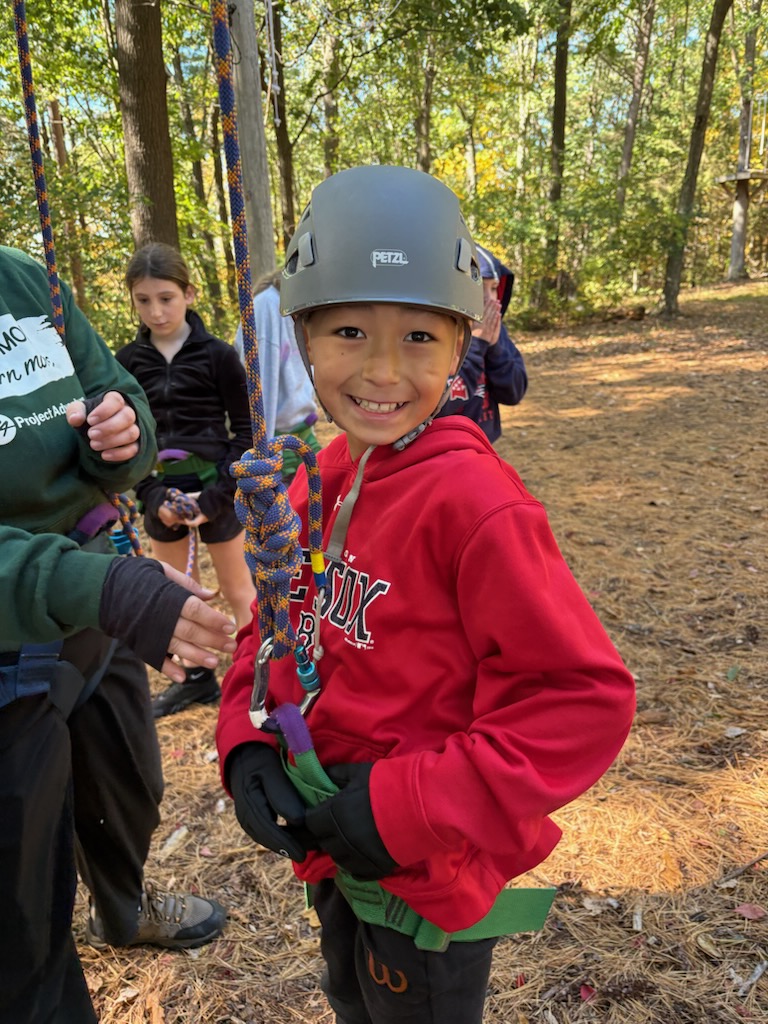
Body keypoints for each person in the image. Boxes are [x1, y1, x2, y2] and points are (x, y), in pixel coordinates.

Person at [215, 166, 636, 1024]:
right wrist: (244, 744)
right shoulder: (321, 479)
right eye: (347, 332)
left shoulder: (476, 507)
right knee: (350, 1000)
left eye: (416, 338)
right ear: (301, 338)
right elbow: (273, 625)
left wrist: (402, 808)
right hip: (334, 848)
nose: (380, 369)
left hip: (425, 876)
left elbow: (581, 702)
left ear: (461, 344)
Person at [0, 244, 236, 1024]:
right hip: (21, 632)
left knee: (128, 780)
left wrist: (120, 431)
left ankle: (124, 906)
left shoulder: (23, 279)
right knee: (21, 897)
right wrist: (104, 588)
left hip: (94, 591)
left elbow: (115, 387)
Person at [116, 243, 256, 718]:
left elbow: (246, 431)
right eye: (143, 300)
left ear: (189, 294)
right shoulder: (127, 362)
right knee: (178, 591)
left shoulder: (218, 356)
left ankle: (260, 670)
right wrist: (152, 495)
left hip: (216, 485)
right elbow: (124, 442)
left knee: (239, 589)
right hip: (160, 490)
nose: (156, 311)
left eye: (166, 298)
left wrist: (217, 496)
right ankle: (198, 680)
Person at [234, 269, 321, 484]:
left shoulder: (303, 308)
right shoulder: (267, 309)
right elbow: (261, 389)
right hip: (279, 453)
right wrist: (267, 459)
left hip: (303, 440)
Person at [437, 243, 527, 442]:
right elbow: (441, 406)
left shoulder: (494, 329)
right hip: (440, 452)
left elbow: (514, 393)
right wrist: (477, 345)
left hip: (483, 448)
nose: (488, 299)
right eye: (477, 287)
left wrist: (494, 348)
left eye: (494, 288)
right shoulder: (433, 333)